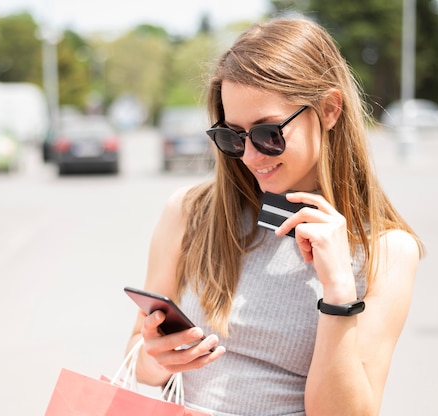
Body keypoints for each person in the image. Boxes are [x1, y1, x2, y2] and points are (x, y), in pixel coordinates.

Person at [126, 15, 423, 416]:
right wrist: (159, 357)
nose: (249, 156)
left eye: (269, 134)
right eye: (232, 136)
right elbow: (140, 363)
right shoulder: (189, 211)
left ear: (330, 109)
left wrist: (337, 293)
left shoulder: (385, 251)